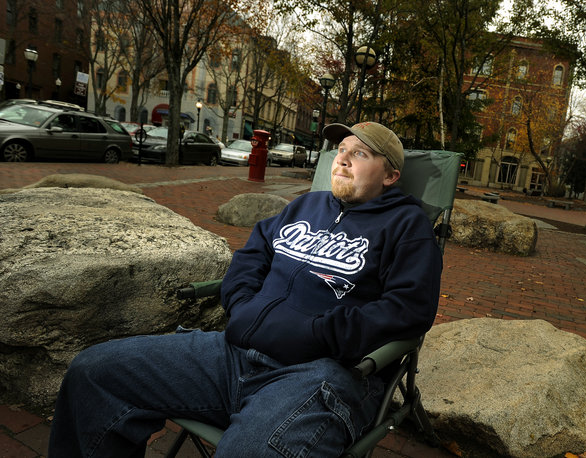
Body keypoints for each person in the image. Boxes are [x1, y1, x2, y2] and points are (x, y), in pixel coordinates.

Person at [48, 122, 443, 457]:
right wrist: (242, 308)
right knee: (94, 372)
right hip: (232, 354)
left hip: (318, 374)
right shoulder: (304, 206)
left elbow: (408, 309)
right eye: (341, 150)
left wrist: (319, 334)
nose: (341, 158)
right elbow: (251, 257)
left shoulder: (408, 227)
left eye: (360, 154)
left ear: (390, 176)